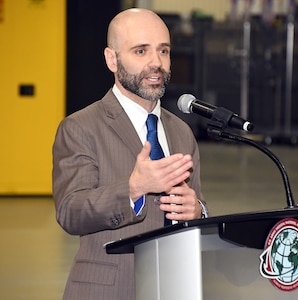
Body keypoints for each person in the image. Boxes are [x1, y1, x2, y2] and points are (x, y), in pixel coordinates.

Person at [52, 8, 208, 300]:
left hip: (175, 287)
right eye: (140, 51)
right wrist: (133, 189)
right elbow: (70, 211)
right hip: (109, 290)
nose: (156, 63)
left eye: (164, 51)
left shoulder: (181, 132)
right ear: (112, 59)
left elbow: (195, 204)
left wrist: (198, 210)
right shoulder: (80, 127)